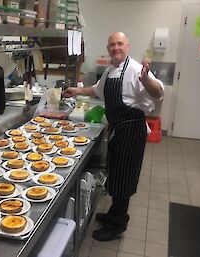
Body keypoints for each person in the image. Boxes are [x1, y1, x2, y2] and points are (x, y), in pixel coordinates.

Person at [63, 32, 164, 241]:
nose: (115, 48)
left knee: (125, 177)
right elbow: (96, 90)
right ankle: (113, 214)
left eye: (119, 44)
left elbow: (158, 92)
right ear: (108, 48)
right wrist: (75, 91)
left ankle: (118, 224)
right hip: (118, 129)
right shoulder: (110, 71)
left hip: (131, 131)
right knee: (116, 173)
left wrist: (146, 80)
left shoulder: (137, 69)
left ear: (127, 46)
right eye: (111, 45)